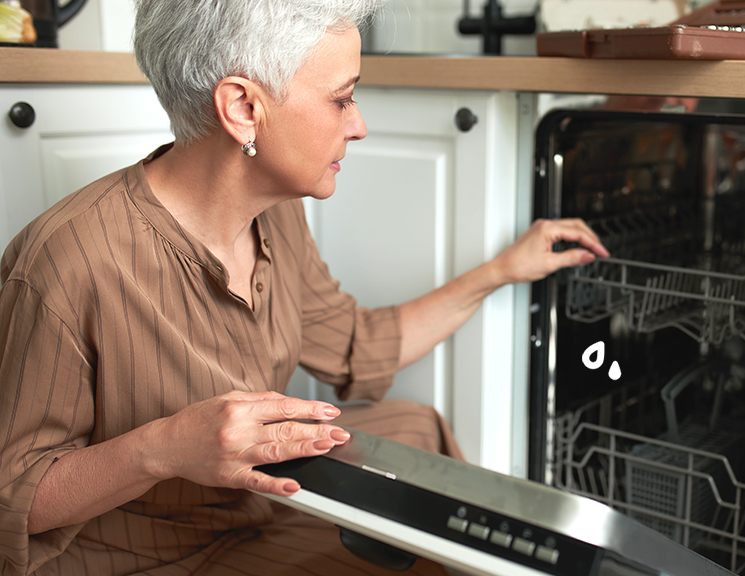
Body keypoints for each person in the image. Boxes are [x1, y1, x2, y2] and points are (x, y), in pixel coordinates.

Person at [0, 1, 609, 574]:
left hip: (258, 512)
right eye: (342, 100)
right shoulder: (67, 262)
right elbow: (12, 496)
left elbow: (354, 344)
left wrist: (502, 270)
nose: (360, 125)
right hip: (148, 560)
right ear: (242, 108)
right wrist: (160, 449)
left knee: (418, 432)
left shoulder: (275, 209)